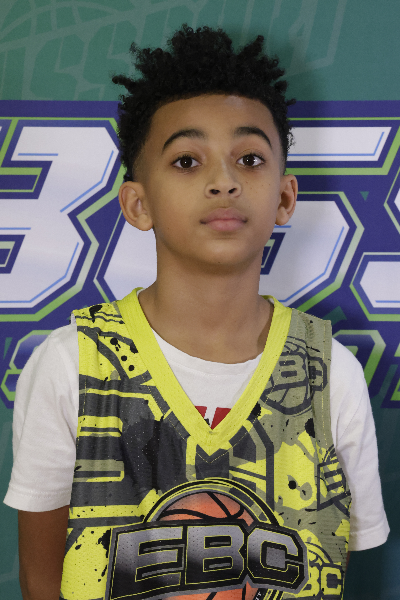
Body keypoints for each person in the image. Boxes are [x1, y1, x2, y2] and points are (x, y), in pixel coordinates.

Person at [4, 25, 389, 600]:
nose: (223, 181)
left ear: (285, 197)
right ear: (138, 203)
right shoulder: (70, 366)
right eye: (187, 161)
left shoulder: (331, 372)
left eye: (250, 158)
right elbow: (41, 581)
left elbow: (328, 567)